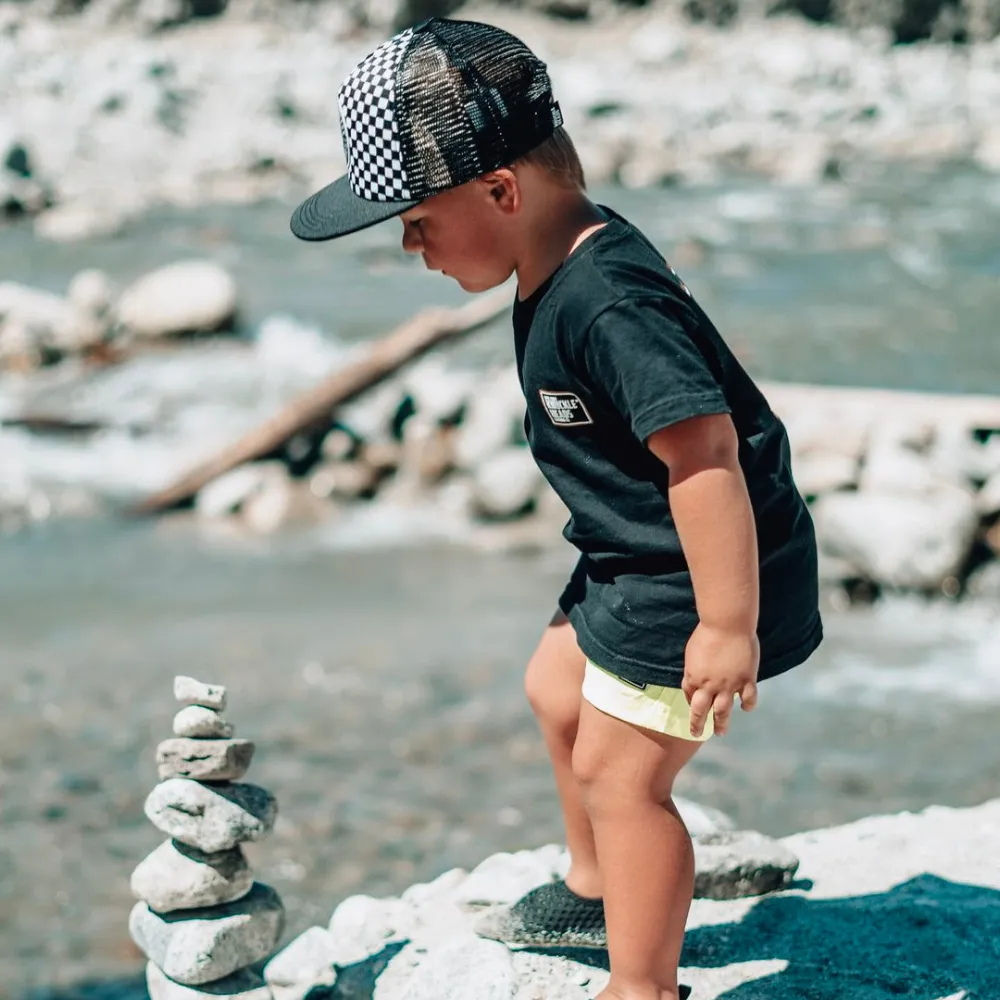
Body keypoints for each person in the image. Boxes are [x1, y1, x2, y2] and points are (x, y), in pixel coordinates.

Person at [290, 17, 822, 1000]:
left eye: (415, 221)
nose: (409, 246)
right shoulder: (549, 253)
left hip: (698, 570)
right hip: (633, 554)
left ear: (500, 190)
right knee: (554, 686)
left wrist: (726, 622)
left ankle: (641, 983)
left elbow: (704, 448)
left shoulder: (606, 297)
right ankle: (592, 884)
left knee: (626, 777)